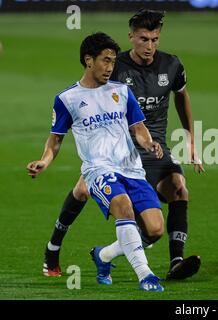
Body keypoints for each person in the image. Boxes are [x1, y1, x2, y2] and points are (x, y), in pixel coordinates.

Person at [42, 10, 203, 281]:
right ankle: (53, 248)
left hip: (154, 146)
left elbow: (181, 96)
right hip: (114, 149)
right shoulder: (114, 66)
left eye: (155, 39)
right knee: (82, 189)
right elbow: (88, 95)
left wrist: (191, 139)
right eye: (144, 39)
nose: (150, 46)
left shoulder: (172, 65)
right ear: (131, 37)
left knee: (178, 188)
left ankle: (175, 260)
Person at [27, 32, 165, 291]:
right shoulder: (67, 99)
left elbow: (139, 128)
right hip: (98, 171)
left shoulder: (122, 92)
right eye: (105, 61)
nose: (110, 67)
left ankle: (104, 255)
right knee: (122, 207)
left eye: (113, 62)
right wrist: (44, 161)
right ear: (89, 61)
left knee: (155, 230)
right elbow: (55, 141)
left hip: (132, 169)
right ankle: (146, 276)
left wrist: (148, 143)